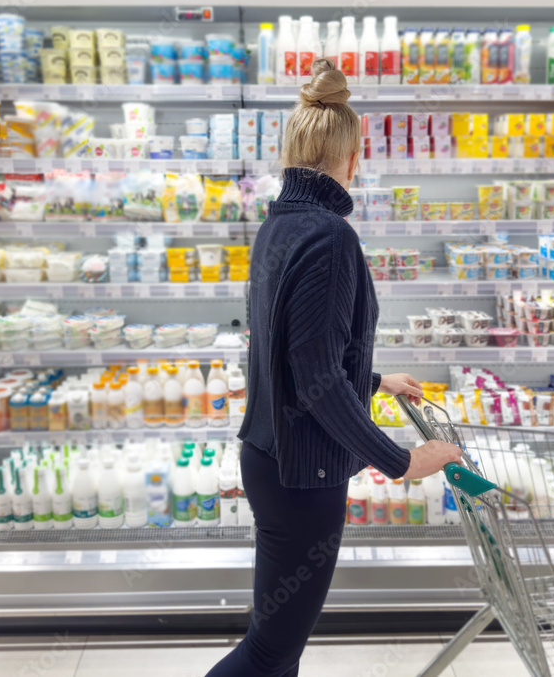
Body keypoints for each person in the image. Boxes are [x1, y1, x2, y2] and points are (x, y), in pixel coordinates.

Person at [205, 58, 463, 677]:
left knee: (278, 647)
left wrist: (375, 381)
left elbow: (293, 352)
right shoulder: (330, 236)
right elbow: (317, 379)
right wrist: (403, 460)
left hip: (271, 457)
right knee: (269, 651)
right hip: (303, 473)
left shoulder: (279, 226)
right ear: (353, 156)